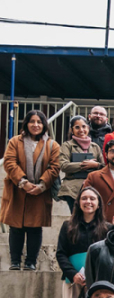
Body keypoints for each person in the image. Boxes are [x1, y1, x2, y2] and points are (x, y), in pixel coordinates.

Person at [2, 110, 60, 271]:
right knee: (16, 227)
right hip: (17, 190)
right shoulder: (15, 141)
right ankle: (15, 261)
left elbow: (55, 167)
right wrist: (23, 182)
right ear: (26, 124)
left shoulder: (52, 145)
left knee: (35, 227)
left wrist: (41, 185)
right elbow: (9, 162)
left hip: (40, 192)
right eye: (32, 121)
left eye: (39, 122)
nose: (35, 125)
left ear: (44, 125)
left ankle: (31, 262)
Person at [57, 187, 112, 298]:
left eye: (92, 198)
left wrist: (96, 276)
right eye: (84, 198)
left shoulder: (108, 229)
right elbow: (61, 253)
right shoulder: (68, 226)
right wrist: (73, 274)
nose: (88, 201)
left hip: (99, 281)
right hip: (73, 281)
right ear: (78, 203)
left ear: (98, 204)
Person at [58, 115, 103, 213]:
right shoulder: (67, 145)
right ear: (72, 130)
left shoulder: (95, 147)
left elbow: (103, 166)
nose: (81, 130)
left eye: (84, 126)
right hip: (72, 188)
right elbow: (63, 165)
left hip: (93, 186)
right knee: (76, 217)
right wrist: (84, 165)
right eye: (77, 127)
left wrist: (95, 165)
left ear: (88, 128)